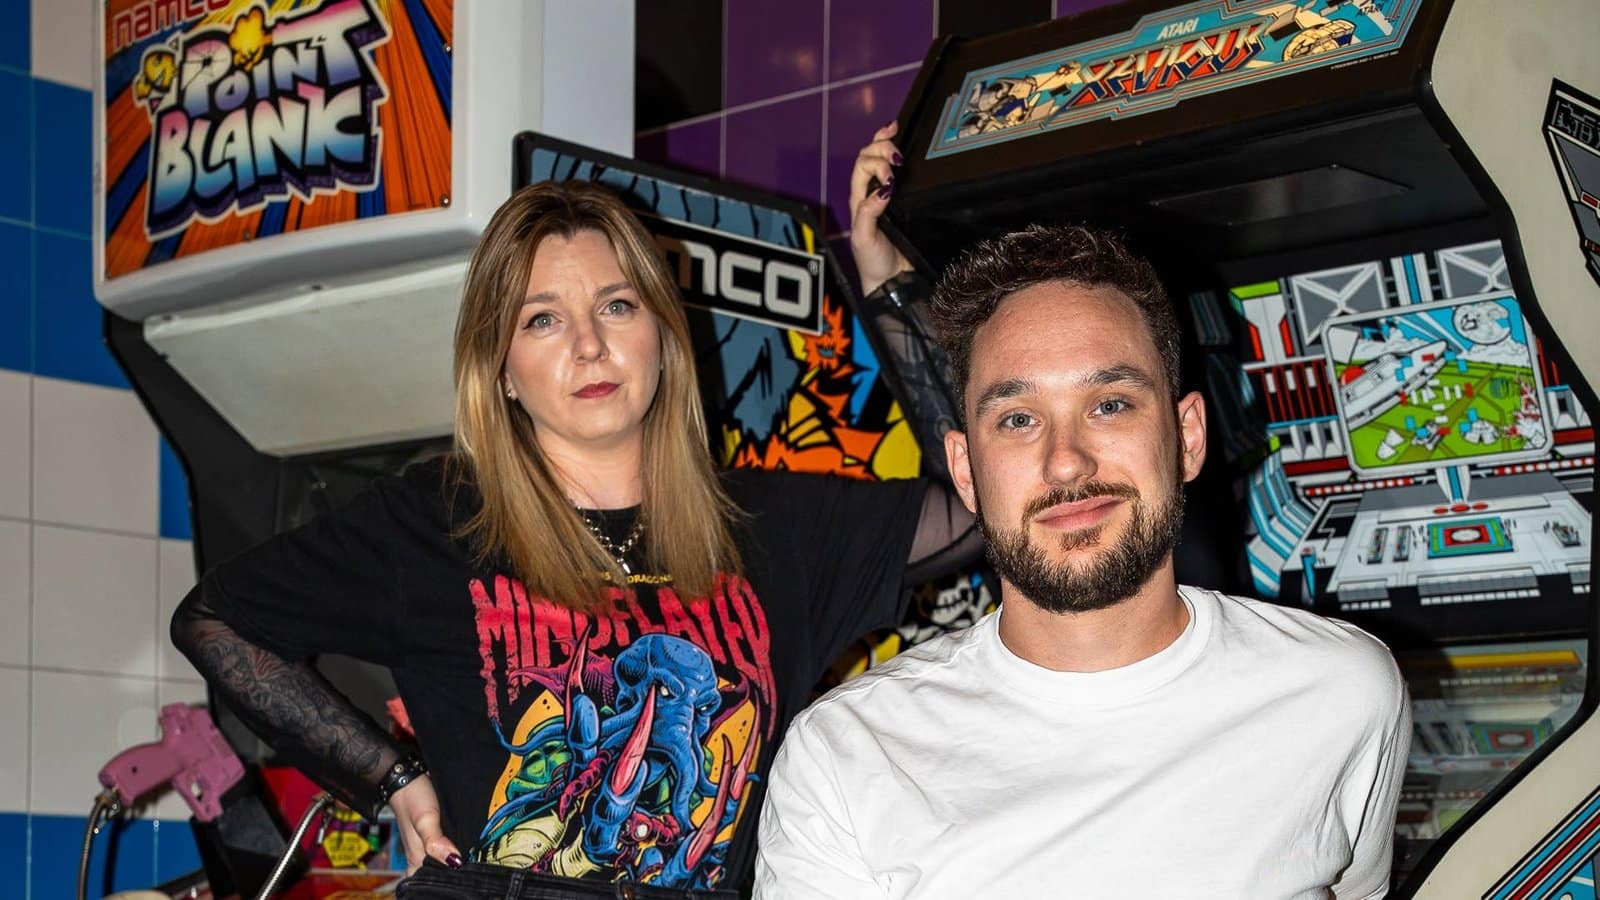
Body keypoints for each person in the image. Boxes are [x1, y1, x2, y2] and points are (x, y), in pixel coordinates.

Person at [171, 167, 976, 898]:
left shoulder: (775, 529)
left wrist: (888, 283)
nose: (590, 345)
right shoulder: (441, 520)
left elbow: (984, 499)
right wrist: (391, 779)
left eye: (617, 306)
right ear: (501, 369)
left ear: (663, 335)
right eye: (543, 320)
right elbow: (216, 621)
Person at [754, 221, 1412, 898]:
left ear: (1187, 437)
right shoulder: (848, 754)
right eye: (1018, 419)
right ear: (966, 471)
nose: (1066, 461)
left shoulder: (1341, 689)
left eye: (1109, 405)